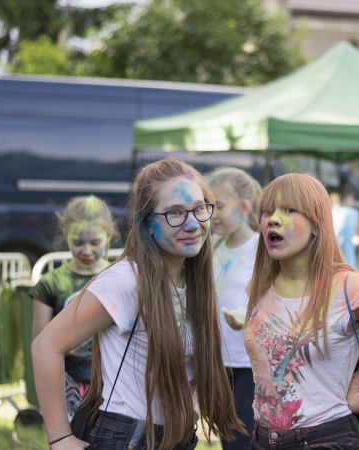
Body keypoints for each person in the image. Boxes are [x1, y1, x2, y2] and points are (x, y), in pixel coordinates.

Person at [32, 158, 242, 450]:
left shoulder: (192, 279)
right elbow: (46, 346)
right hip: (126, 437)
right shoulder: (126, 281)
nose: (193, 223)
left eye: (199, 208)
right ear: (147, 223)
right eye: (175, 213)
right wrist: (60, 438)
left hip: (172, 437)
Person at [245, 173, 359, 449]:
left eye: (289, 210)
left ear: (317, 225)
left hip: (325, 439)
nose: (273, 218)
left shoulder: (350, 289)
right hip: (262, 439)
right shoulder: (259, 287)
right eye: (266, 211)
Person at [30, 195, 116, 421]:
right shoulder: (50, 284)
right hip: (66, 386)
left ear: (108, 235)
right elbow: (40, 342)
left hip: (113, 385)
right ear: (66, 236)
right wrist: (62, 344)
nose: (86, 250)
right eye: (78, 243)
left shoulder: (119, 278)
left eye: (94, 242)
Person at [208, 167, 262, 450]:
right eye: (209, 205)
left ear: (244, 207)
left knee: (241, 441)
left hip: (248, 364)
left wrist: (248, 320)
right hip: (220, 361)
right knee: (228, 438)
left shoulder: (260, 249)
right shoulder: (213, 247)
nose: (212, 213)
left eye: (219, 205)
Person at [330, 186, 359, 269]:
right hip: (349, 261)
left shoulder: (329, 212)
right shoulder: (353, 213)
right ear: (346, 198)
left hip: (331, 261)